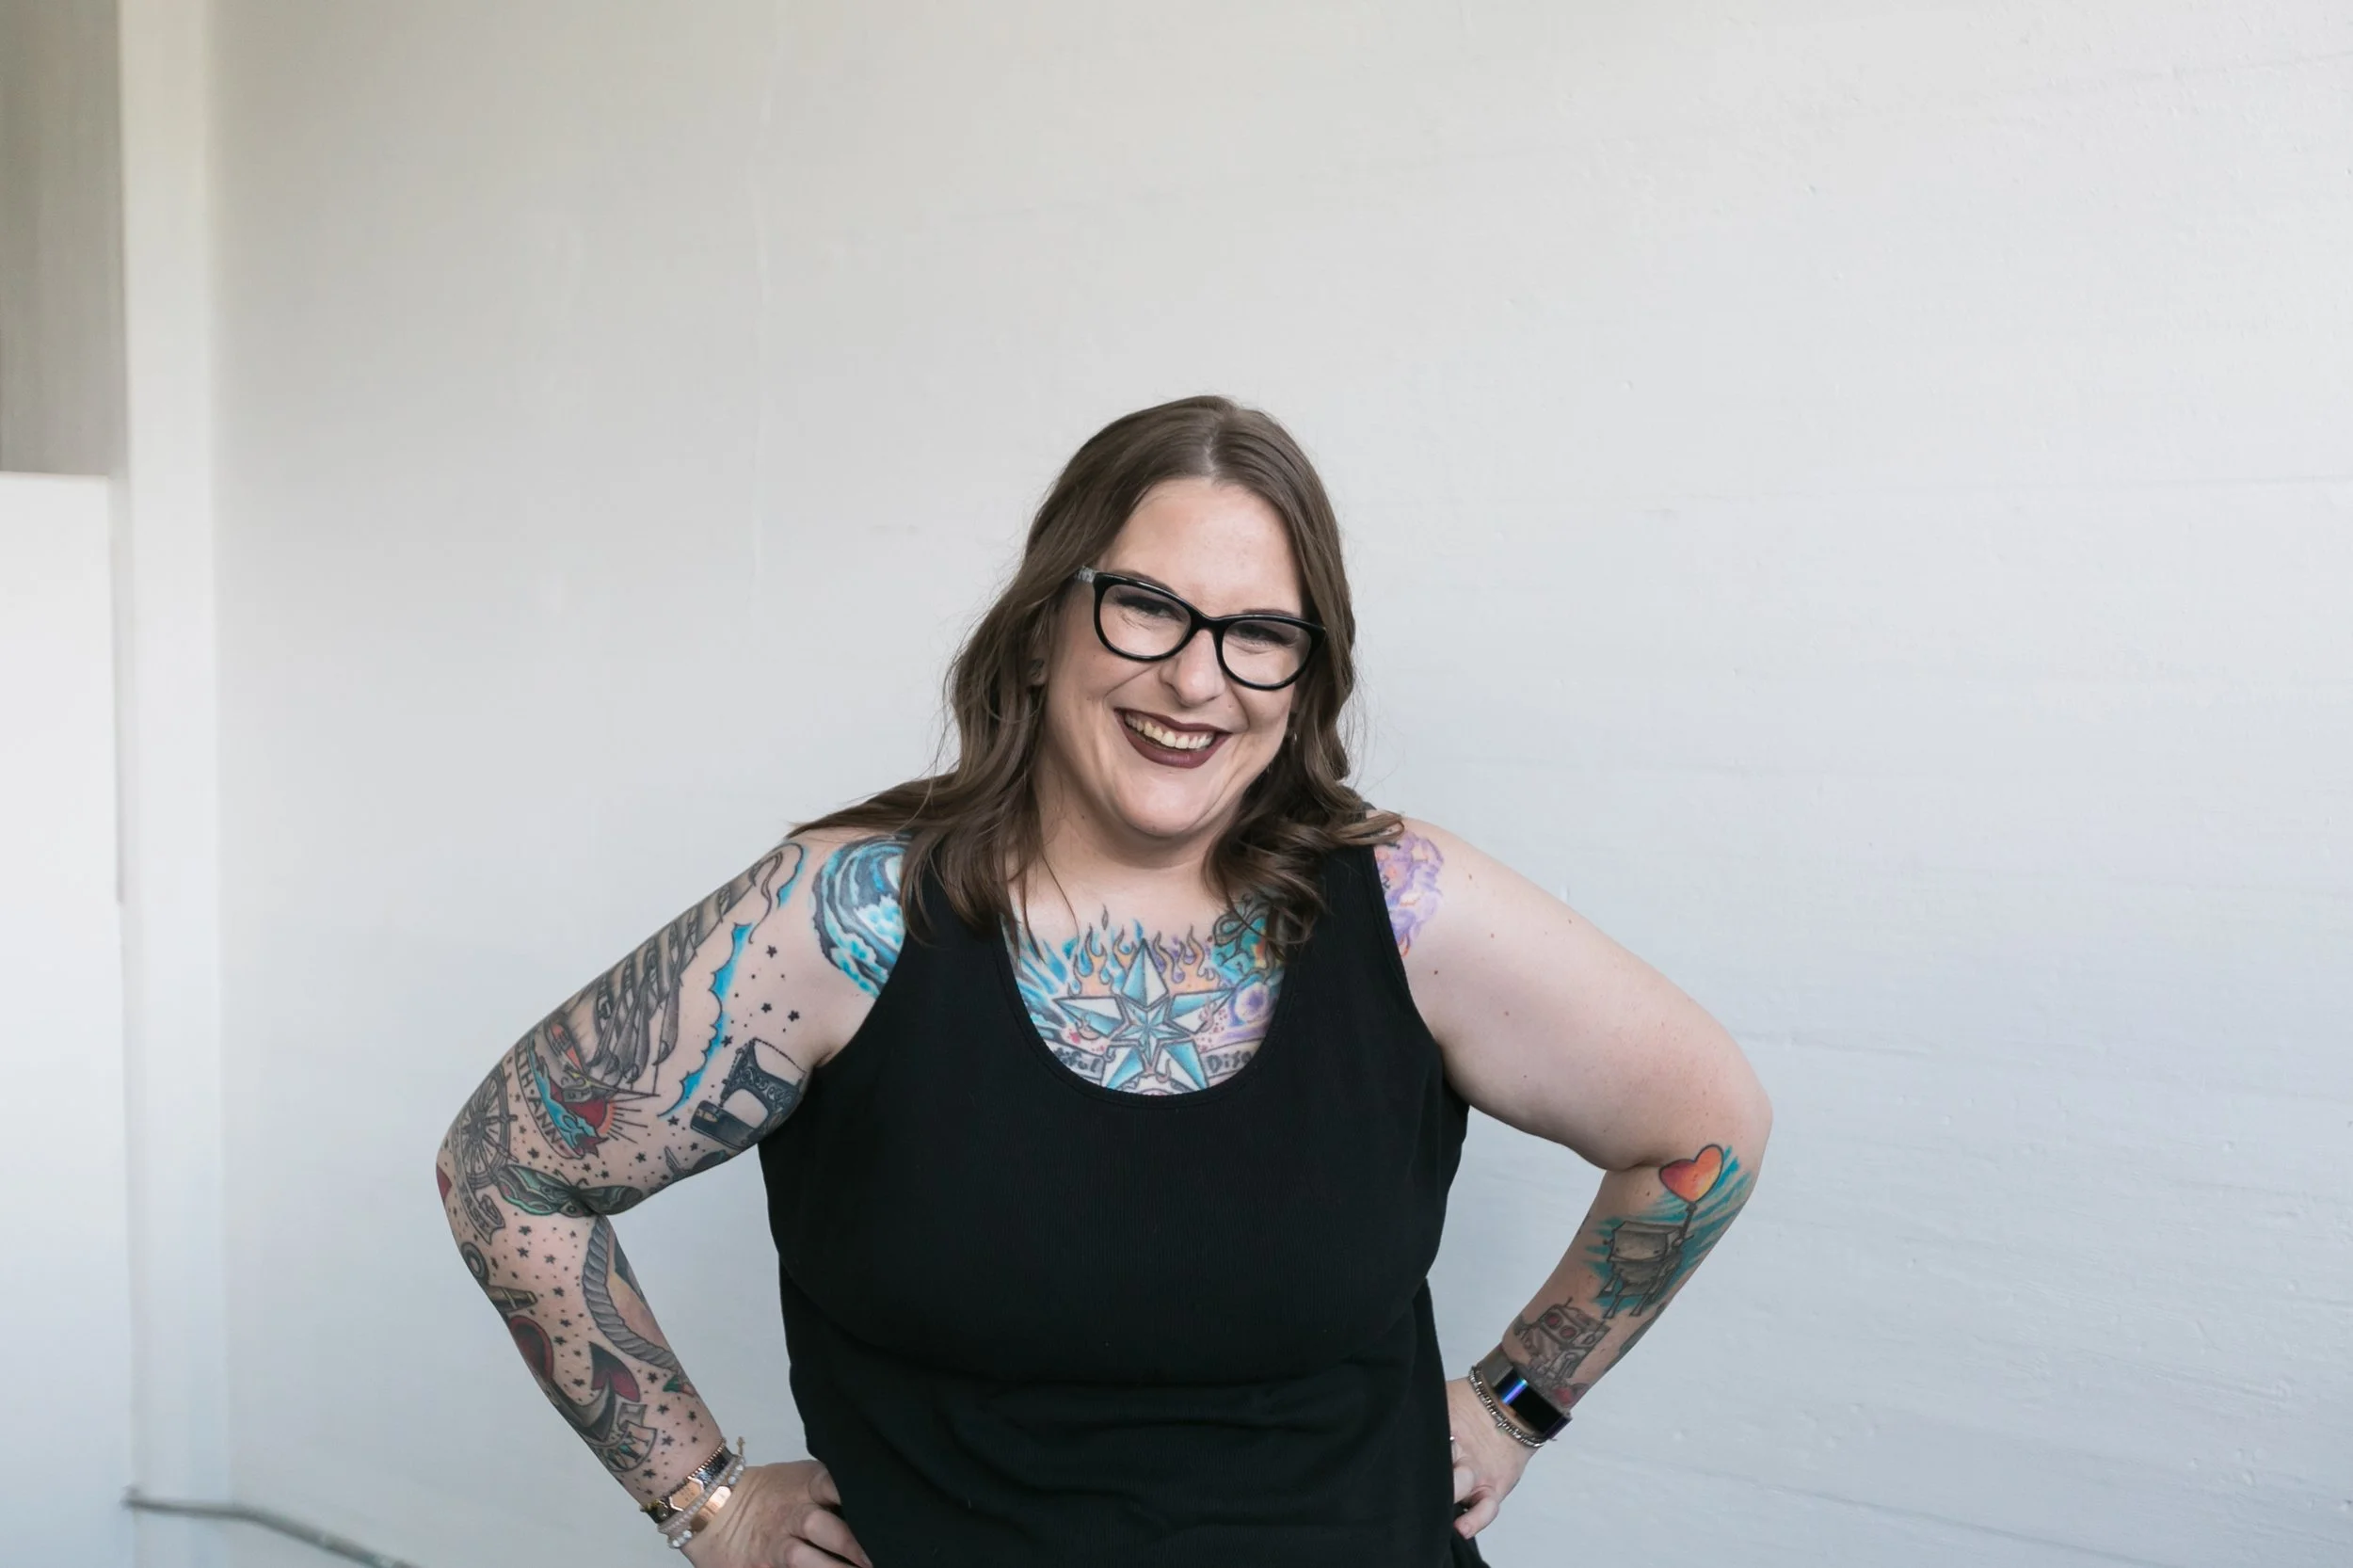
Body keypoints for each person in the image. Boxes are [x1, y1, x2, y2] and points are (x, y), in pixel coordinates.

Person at [435, 394, 1772, 1567]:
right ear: (1040, 627)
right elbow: (506, 1167)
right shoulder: (850, 917)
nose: (1196, 677)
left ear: (1305, 681)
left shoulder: (1408, 911)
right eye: (1145, 606)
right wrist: (706, 1498)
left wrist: (1515, 1399)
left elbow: (1703, 1131)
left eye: (1261, 633)